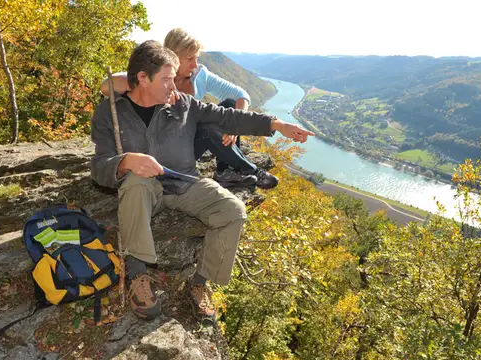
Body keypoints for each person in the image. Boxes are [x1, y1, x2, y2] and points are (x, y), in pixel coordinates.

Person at [91, 41, 314, 320]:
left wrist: (277, 125)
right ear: (143, 79)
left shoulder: (183, 105)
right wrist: (125, 162)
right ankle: (138, 276)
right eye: (167, 81)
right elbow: (99, 168)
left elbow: (230, 116)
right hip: (146, 189)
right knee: (135, 183)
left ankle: (200, 284)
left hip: (185, 182)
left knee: (233, 210)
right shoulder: (110, 112)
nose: (175, 88)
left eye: (175, 80)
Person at [100, 28, 279, 189]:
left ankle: (226, 169)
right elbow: (106, 86)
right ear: (172, 56)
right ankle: (251, 171)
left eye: (196, 58)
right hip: (171, 148)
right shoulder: (153, 74)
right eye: (190, 58)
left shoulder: (200, 76)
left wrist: (234, 127)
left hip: (192, 138)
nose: (194, 64)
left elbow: (241, 94)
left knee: (231, 105)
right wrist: (149, 87)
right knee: (209, 130)